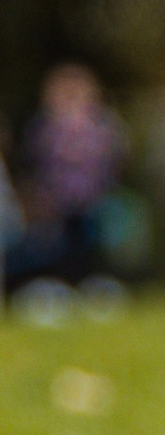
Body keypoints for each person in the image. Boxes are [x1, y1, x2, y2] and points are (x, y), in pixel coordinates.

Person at [10, 63, 127, 290]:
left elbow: (113, 161)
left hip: (93, 202)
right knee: (54, 246)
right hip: (55, 205)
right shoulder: (43, 129)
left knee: (92, 243)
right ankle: (58, 283)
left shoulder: (102, 127)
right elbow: (34, 164)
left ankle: (94, 282)